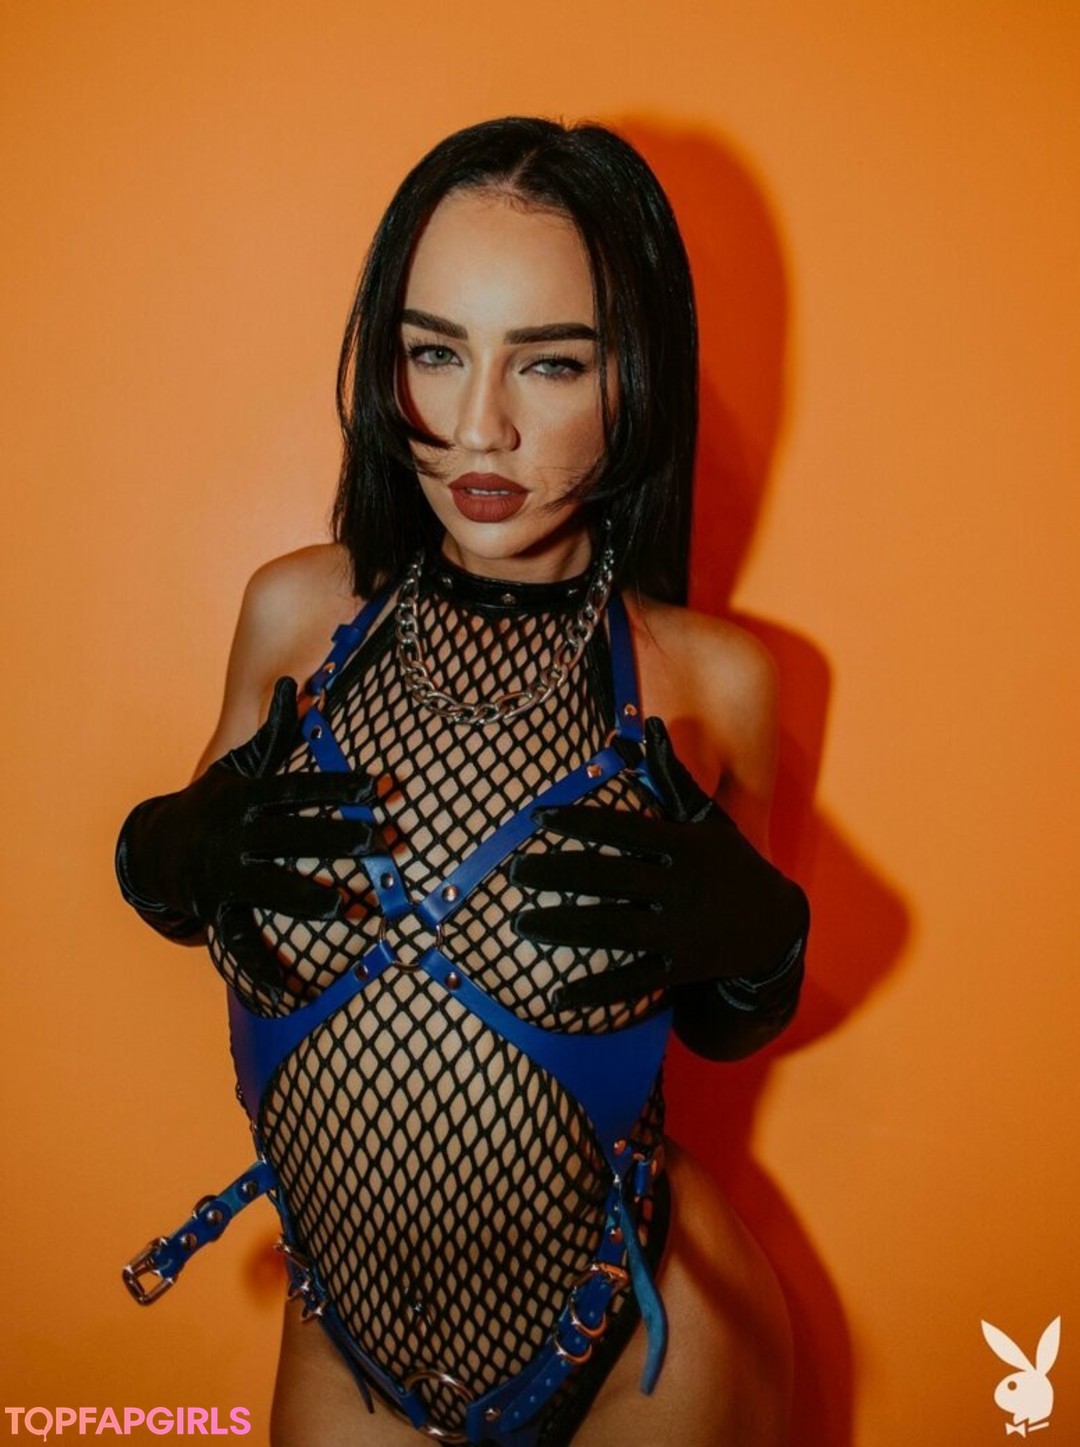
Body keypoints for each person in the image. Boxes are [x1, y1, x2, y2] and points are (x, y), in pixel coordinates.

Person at [115, 116, 808, 1446]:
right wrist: (164, 851)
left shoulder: (716, 683)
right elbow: (185, 897)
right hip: (349, 1357)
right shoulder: (293, 618)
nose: (480, 427)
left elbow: (729, 1026)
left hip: (650, 1347)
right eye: (435, 352)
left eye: (550, 362)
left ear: (637, 377)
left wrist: (761, 946)